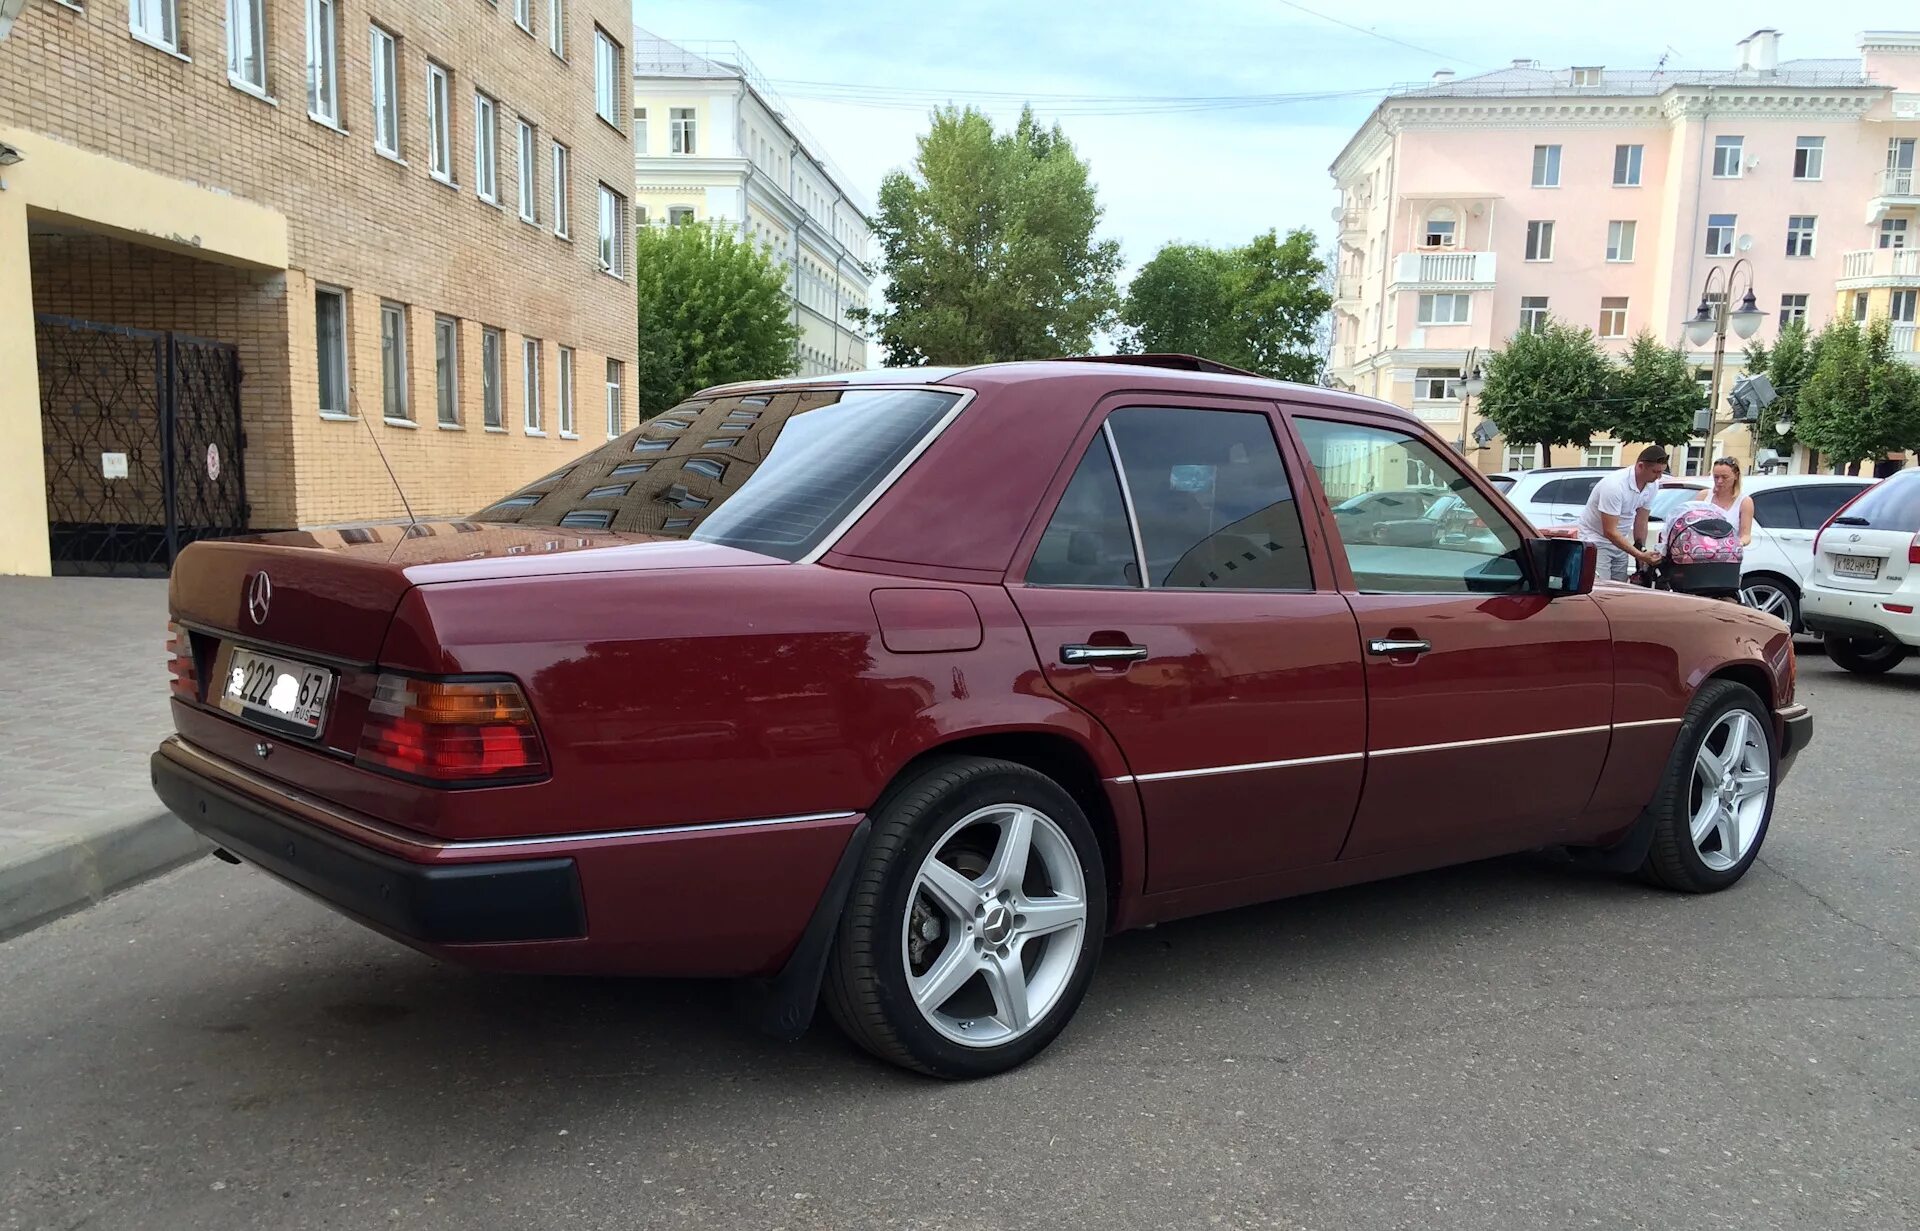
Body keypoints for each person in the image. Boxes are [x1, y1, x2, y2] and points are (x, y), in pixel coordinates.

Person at [1576, 446, 1668, 582]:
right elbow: (1610, 531)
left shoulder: (1651, 485)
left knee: (1619, 589)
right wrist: (1639, 555)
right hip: (1596, 540)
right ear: (1641, 466)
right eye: (1655, 472)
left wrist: (1640, 547)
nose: (1659, 476)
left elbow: (1641, 520)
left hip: (1620, 542)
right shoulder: (1615, 486)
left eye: (1661, 472)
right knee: (1600, 587)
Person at [1709, 457, 1754, 548]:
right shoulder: (1703, 496)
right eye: (1716, 477)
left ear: (1736, 476)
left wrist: (1738, 544)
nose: (1719, 481)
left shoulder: (1745, 502)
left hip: (1727, 553)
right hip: (1701, 553)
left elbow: (1746, 535)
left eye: (1725, 477)